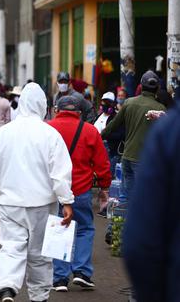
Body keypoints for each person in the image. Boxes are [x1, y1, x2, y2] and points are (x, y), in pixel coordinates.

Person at [0, 82, 74, 302]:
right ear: (43, 105)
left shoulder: (4, 133)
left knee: (11, 247)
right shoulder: (50, 134)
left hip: (10, 202)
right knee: (40, 253)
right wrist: (66, 200)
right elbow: (60, 172)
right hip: (43, 204)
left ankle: (7, 288)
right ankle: (39, 296)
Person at [48, 95, 111, 292]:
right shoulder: (89, 130)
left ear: (57, 109)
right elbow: (101, 162)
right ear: (80, 112)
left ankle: (59, 278)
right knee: (84, 228)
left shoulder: (48, 128)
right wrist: (104, 186)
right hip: (80, 188)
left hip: (54, 190)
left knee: (59, 228)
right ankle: (82, 272)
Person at [122, 104, 179, 302]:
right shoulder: (167, 122)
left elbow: (140, 239)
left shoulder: (170, 131)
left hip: (130, 155)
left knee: (131, 201)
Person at [101, 70, 166, 204]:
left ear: (141, 86)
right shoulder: (160, 108)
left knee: (125, 197)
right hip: (145, 160)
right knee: (146, 199)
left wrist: (100, 136)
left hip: (127, 157)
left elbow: (113, 126)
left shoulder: (129, 103)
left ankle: (121, 224)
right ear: (157, 88)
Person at [94, 92, 124, 176]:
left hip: (110, 151)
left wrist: (105, 135)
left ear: (113, 104)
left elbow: (121, 134)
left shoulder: (117, 117)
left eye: (108, 102)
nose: (105, 104)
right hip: (97, 150)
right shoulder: (98, 116)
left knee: (109, 176)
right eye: (104, 102)